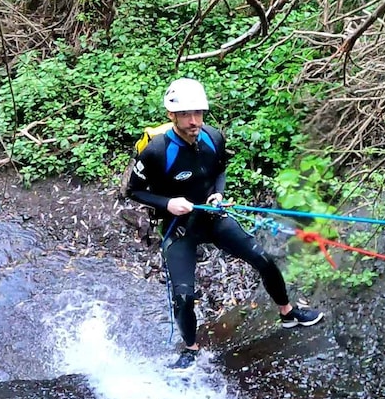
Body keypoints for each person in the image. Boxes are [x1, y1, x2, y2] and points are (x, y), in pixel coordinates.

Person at [125, 77, 323, 369]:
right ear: (172, 115)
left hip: (212, 217)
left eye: (198, 113)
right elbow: (133, 191)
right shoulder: (156, 151)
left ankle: (287, 313)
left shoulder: (213, 137)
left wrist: (218, 193)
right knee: (184, 295)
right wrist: (168, 203)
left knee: (263, 259)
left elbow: (220, 170)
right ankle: (191, 349)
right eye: (185, 115)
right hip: (179, 229)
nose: (194, 121)